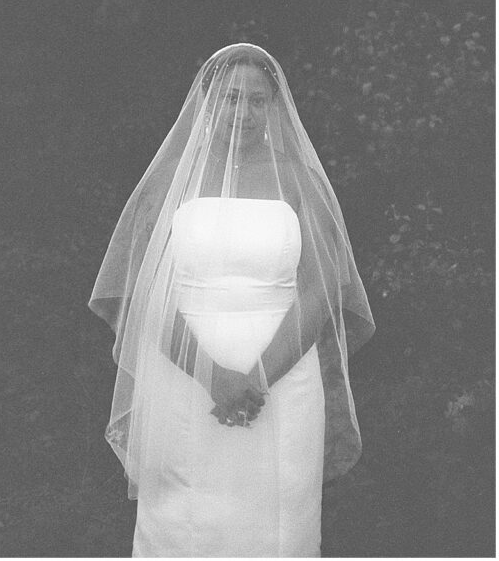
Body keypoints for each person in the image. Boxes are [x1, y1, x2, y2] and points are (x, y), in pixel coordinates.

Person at [88, 43, 375, 557]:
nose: (244, 112)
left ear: (275, 107)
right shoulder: (169, 184)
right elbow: (145, 290)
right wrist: (214, 377)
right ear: (206, 102)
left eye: (258, 101)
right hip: (183, 377)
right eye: (231, 97)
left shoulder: (299, 180)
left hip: (285, 381)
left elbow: (324, 284)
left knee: (278, 520)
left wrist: (260, 375)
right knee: (184, 520)